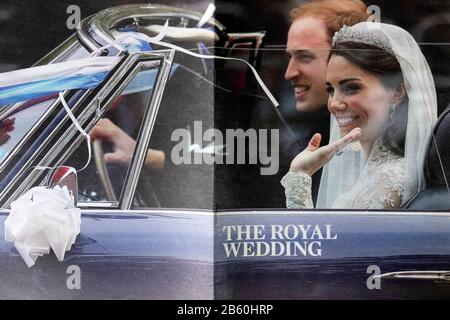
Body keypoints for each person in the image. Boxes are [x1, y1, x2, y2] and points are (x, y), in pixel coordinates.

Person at [281, 22, 438, 209]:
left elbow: (320, 239)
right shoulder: (371, 172)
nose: (334, 104)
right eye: (331, 90)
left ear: (397, 91)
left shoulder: (393, 179)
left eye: (351, 88)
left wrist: (300, 175)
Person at [282, 0, 369, 202]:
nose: (289, 73)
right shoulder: (306, 135)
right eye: (289, 57)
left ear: (346, 59)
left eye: (304, 57)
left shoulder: (369, 149)